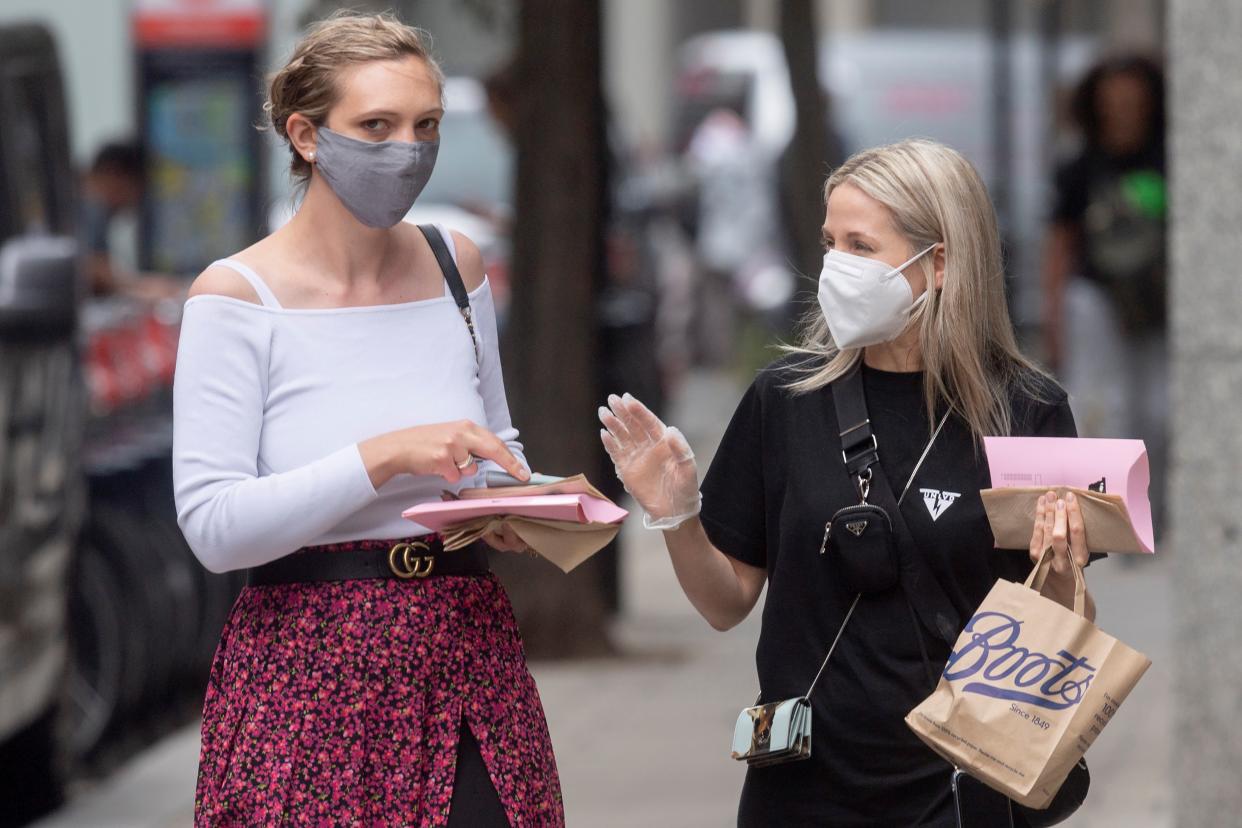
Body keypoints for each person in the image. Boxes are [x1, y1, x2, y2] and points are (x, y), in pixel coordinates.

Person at [600, 138, 1099, 825]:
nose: (836, 266)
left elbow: (1057, 630)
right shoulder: (785, 397)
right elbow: (724, 604)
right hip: (805, 782)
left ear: (942, 263)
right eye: (830, 242)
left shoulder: (1029, 410)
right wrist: (676, 515)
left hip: (961, 783)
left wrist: (1063, 567)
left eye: (862, 246)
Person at [171, 13, 563, 825]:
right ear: (307, 135)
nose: (407, 149)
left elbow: (496, 442)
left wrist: (514, 507)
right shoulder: (238, 299)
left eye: (426, 126)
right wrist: (382, 458)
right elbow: (212, 527)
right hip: (308, 674)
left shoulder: (458, 266)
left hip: (466, 660)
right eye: (376, 126)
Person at [1042, 54, 1168, 537]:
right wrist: (1056, 320)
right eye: (1112, 102)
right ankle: (1111, 517)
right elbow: (1060, 244)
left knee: (1158, 408)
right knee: (1102, 408)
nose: (1122, 111)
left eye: (1133, 102)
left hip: (1158, 305)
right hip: (1095, 299)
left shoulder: (1168, 156)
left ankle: (1158, 507)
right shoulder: (1079, 167)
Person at [79, 140, 181, 300]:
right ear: (114, 174)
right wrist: (142, 288)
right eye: (136, 187)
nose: (135, 200)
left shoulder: (94, 209)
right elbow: (93, 269)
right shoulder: (90, 204)